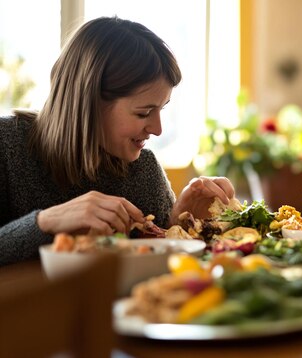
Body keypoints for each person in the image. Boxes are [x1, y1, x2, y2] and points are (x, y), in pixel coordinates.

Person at [0, 16, 235, 266]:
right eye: (143, 113)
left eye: (161, 109)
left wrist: (179, 224)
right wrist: (46, 221)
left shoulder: (144, 170)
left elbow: (154, 268)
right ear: (89, 103)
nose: (157, 129)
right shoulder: (7, 144)